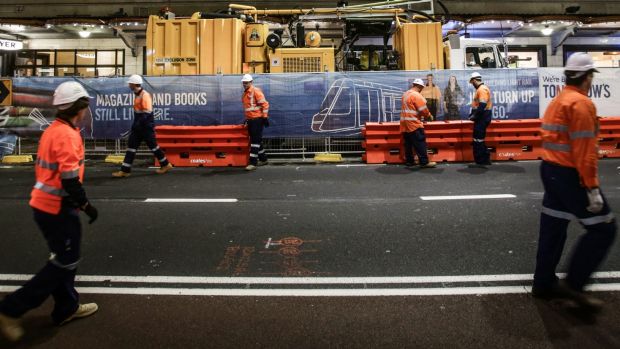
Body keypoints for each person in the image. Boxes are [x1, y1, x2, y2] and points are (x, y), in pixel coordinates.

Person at [0, 82, 99, 342]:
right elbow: (69, 180)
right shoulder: (67, 135)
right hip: (58, 207)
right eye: (86, 105)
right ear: (79, 107)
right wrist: (86, 205)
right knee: (65, 260)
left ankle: (66, 308)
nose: (87, 110)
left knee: (64, 258)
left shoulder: (55, 130)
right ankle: (11, 309)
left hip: (45, 204)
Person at [532, 52, 616, 311]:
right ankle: (575, 285)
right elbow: (584, 151)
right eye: (591, 76)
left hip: (550, 169)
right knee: (604, 229)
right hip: (570, 174)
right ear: (586, 77)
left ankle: (543, 283)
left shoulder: (558, 100)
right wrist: (591, 187)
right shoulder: (581, 104)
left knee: (554, 227)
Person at [112, 74, 173, 177]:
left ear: (134, 84)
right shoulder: (137, 94)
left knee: (154, 147)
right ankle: (125, 170)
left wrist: (138, 125)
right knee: (131, 147)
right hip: (139, 127)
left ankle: (166, 164)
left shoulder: (144, 95)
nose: (129, 85)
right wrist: (136, 125)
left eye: (130, 83)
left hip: (146, 127)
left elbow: (147, 114)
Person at [400, 78, 437, 168]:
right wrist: (429, 115)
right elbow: (423, 110)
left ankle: (410, 161)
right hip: (414, 123)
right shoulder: (417, 96)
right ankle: (424, 162)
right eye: (422, 88)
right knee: (420, 142)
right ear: (420, 86)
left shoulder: (405, 94)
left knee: (408, 144)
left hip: (405, 124)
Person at [241, 74, 269, 171]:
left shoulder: (255, 91)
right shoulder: (245, 93)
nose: (244, 84)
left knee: (254, 141)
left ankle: (253, 163)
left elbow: (265, 104)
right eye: (244, 82)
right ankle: (264, 159)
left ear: (251, 82)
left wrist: (265, 118)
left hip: (257, 120)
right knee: (257, 140)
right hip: (251, 120)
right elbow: (249, 109)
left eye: (246, 82)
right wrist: (247, 119)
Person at [468, 72, 493, 167]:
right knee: (478, 139)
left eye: (472, 82)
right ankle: (481, 159)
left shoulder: (482, 89)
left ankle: (483, 159)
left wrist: (475, 116)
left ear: (474, 80)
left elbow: (482, 105)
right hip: (482, 117)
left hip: (482, 118)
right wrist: (473, 114)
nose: (472, 84)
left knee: (478, 139)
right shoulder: (481, 89)